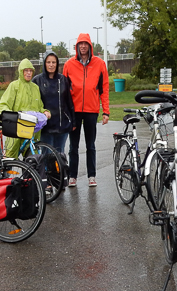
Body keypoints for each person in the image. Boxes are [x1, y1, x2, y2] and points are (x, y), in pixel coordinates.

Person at [62, 33, 109, 187]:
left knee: (91, 145)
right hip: (74, 111)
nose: (83, 46)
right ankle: (72, 176)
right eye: (80, 44)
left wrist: (106, 111)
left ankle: (92, 176)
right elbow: (64, 91)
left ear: (90, 46)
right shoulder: (69, 65)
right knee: (73, 146)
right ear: (77, 46)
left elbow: (104, 89)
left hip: (91, 110)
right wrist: (65, 112)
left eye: (85, 43)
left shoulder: (100, 64)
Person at [0, 59, 50, 158]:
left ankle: (29, 173)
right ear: (21, 71)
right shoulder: (14, 86)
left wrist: (45, 112)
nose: (28, 73)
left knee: (32, 159)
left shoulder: (35, 88)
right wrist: (11, 117)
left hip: (31, 130)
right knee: (9, 159)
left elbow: (39, 106)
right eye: (26, 70)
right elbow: (4, 104)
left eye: (30, 71)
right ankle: (5, 173)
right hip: (16, 129)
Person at [32, 51, 75, 154]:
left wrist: (73, 121)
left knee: (59, 156)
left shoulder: (63, 79)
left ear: (57, 64)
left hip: (62, 126)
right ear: (44, 63)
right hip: (45, 127)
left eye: (54, 62)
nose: (51, 65)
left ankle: (60, 171)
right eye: (48, 62)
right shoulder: (37, 81)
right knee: (46, 156)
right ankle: (46, 171)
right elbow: (34, 103)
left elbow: (69, 102)